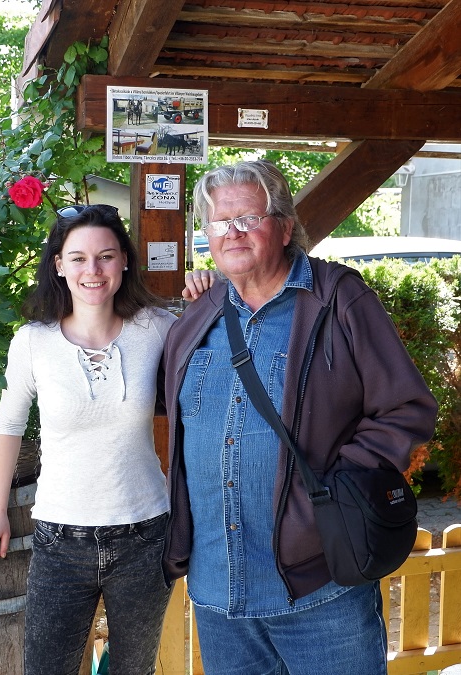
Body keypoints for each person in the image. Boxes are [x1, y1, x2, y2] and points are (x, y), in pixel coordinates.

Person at [160, 159, 438, 675]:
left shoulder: (337, 298)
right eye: (220, 222)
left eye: (249, 218)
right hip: (219, 591)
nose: (233, 232)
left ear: (285, 227)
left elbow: (406, 407)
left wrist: (338, 488)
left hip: (320, 586)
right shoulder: (199, 313)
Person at [0, 204, 209, 675]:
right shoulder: (33, 341)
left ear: (124, 260)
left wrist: (209, 293)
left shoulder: (157, 328)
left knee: (133, 670)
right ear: (59, 266)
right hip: (60, 537)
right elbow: (9, 423)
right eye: (78, 258)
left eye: (105, 256)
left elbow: (217, 357)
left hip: (145, 533)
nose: (93, 270)